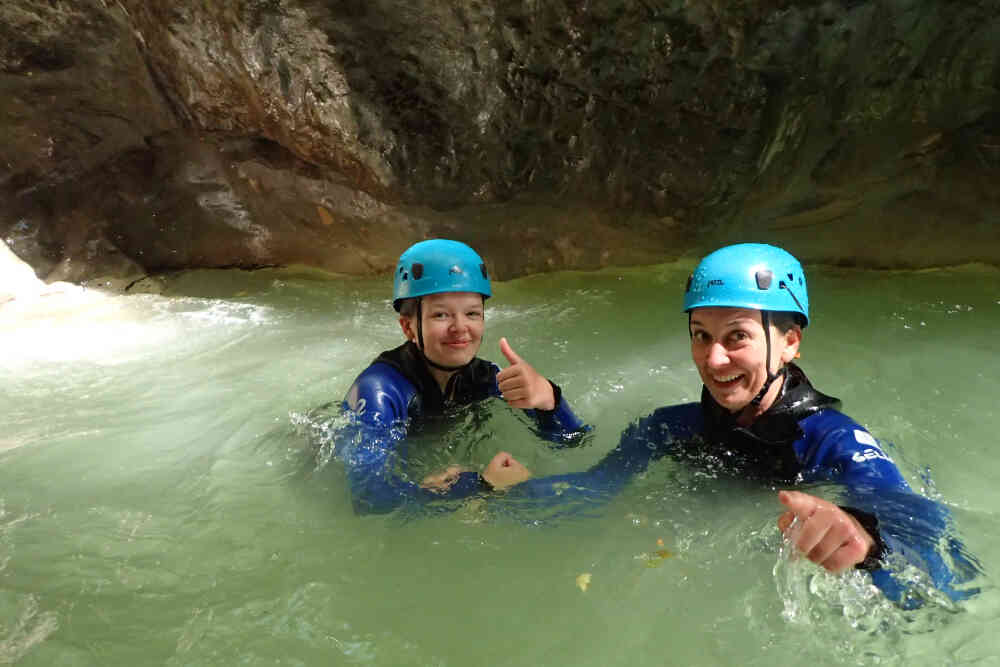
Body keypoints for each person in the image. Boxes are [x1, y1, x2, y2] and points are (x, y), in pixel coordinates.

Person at [486, 243, 979, 606]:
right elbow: (596, 487)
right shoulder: (670, 427)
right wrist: (503, 475)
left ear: (789, 343)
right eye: (701, 335)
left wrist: (865, 540)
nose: (713, 358)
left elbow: (925, 532)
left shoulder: (833, 440)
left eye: (737, 335)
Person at [335, 239, 587, 514]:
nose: (460, 328)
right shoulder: (380, 391)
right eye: (441, 315)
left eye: (472, 314)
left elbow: (574, 442)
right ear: (408, 327)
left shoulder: (484, 377)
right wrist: (481, 486)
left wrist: (549, 398)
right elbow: (369, 499)